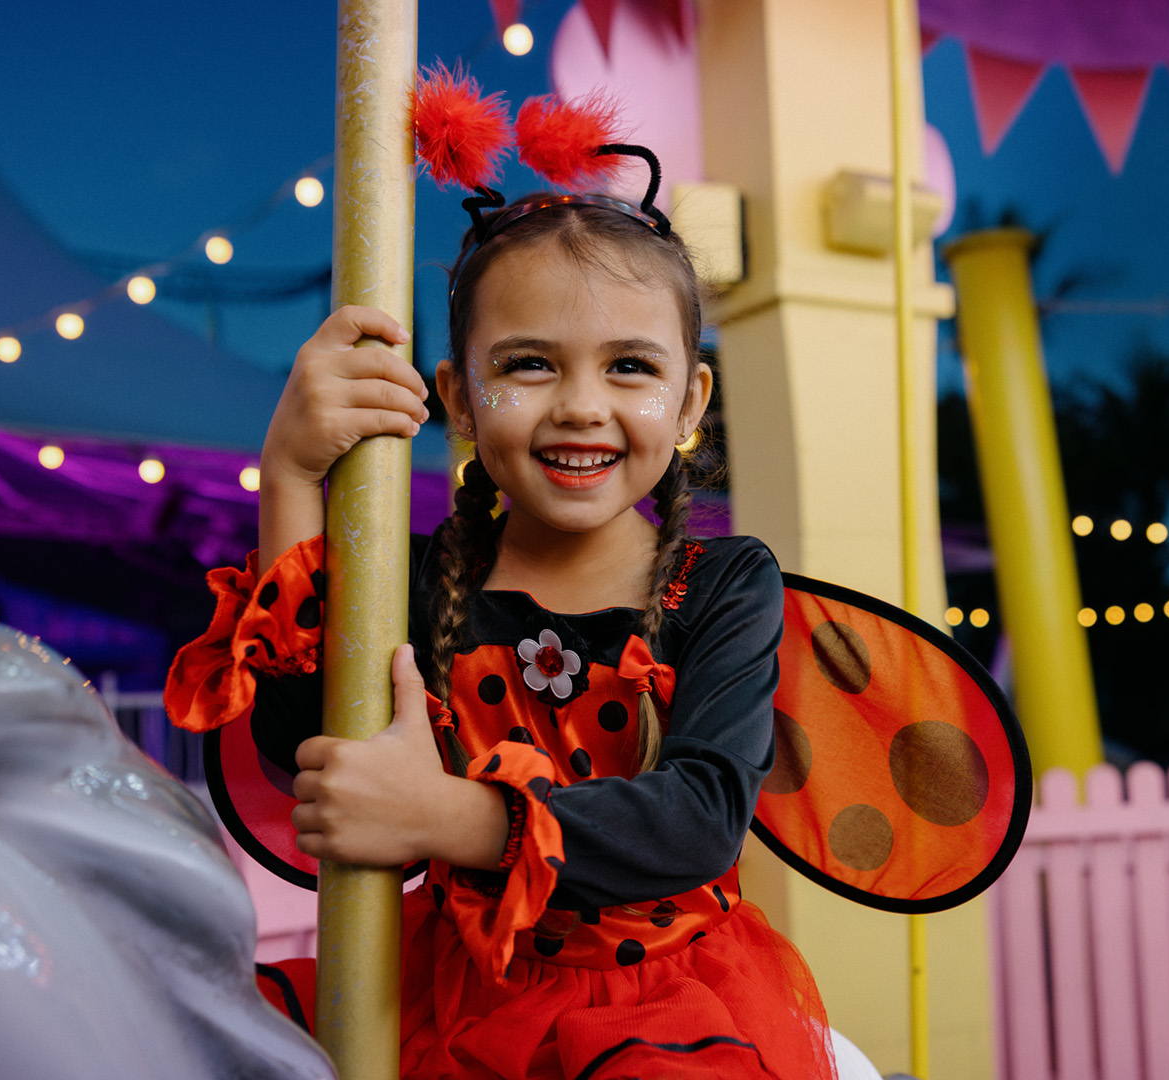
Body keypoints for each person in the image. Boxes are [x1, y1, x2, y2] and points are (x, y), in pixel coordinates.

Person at [165, 157, 838, 1077]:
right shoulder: (412, 578)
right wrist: (289, 478)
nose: (581, 407)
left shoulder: (719, 585)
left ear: (689, 403)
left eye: (631, 367)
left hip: (656, 1013)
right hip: (449, 994)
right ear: (458, 400)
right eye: (528, 365)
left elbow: (699, 819)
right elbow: (296, 745)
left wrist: (448, 815)